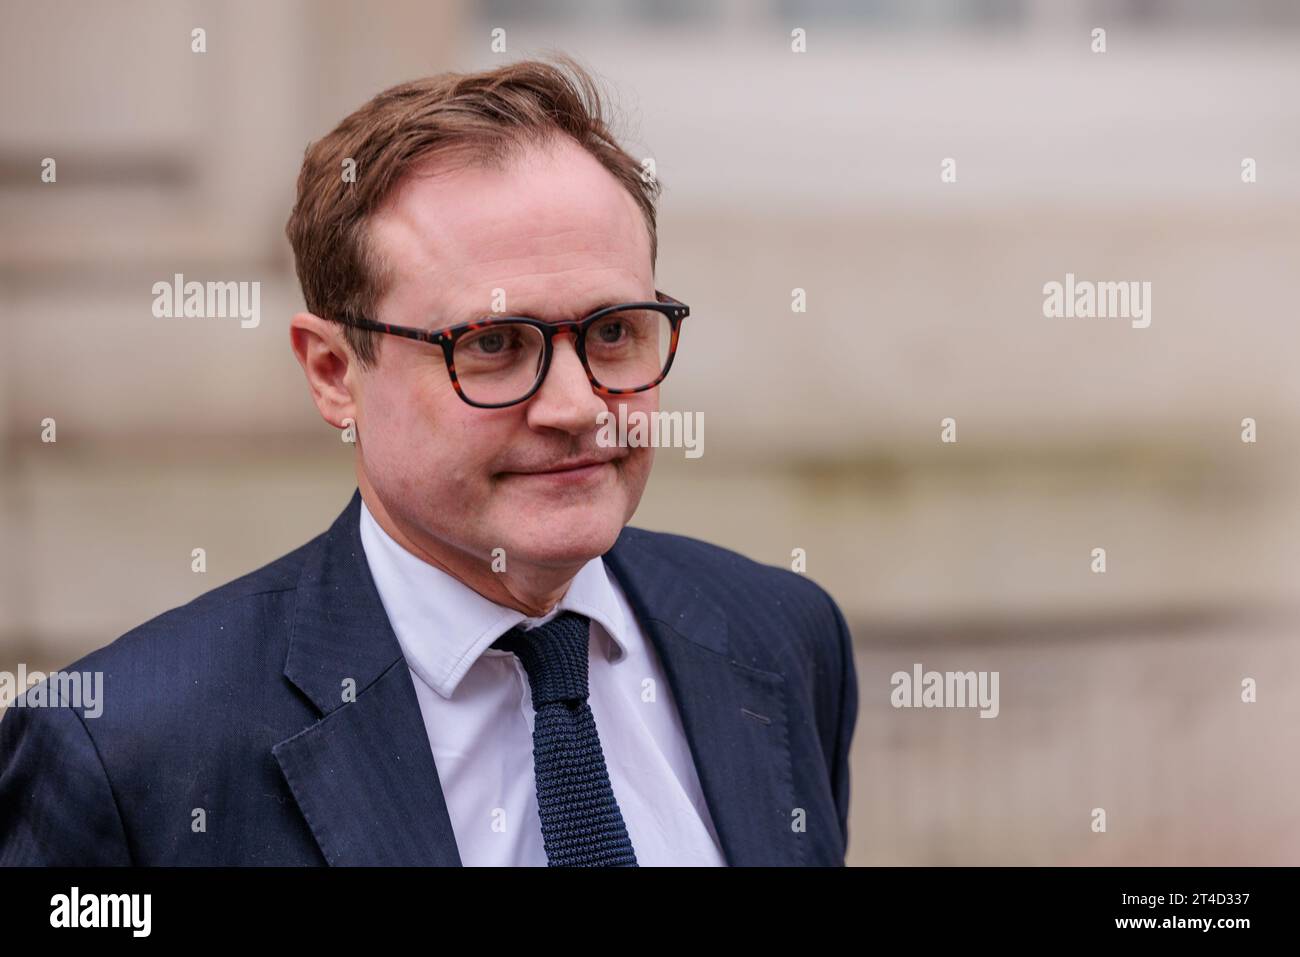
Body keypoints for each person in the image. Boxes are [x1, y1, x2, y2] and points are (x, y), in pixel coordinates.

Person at [0, 56, 857, 866]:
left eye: (612, 332)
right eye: (491, 343)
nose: (577, 407)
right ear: (335, 373)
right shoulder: (128, 751)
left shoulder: (781, 636)